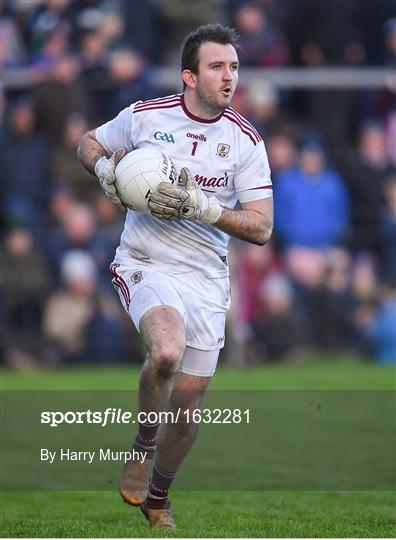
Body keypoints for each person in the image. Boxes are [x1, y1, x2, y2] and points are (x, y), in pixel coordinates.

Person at [77, 23, 273, 530]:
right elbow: (88, 142)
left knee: (187, 410)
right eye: (216, 66)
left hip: (206, 277)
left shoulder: (245, 141)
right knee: (165, 350)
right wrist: (105, 172)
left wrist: (203, 207)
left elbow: (262, 227)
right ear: (189, 75)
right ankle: (143, 445)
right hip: (146, 259)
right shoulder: (146, 117)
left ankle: (158, 499)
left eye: (233, 66)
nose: (228, 76)